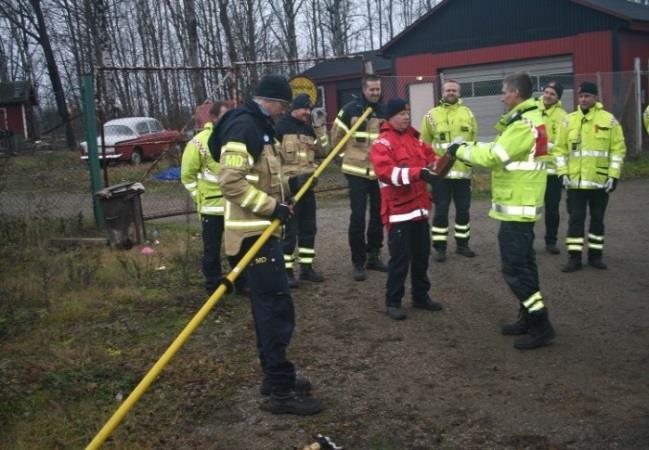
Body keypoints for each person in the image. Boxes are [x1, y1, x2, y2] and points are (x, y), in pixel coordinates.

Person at [209, 75, 322, 415]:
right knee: (275, 310)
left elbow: (265, 177)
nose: (283, 111)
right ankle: (281, 393)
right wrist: (273, 208)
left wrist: (288, 191)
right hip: (252, 236)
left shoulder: (258, 126)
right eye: (282, 105)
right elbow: (230, 182)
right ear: (269, 101)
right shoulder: (244, 127)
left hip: (263, 233)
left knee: (270, 309)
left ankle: (275, 378)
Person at [448, 72, 555, 350]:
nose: (501, 96)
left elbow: (495, 157)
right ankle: (528, 317)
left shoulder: (523, 124)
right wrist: (469, 146)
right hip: (519, 205)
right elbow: (497, 147)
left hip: (518, 206)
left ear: (517, 93)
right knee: (524, 265)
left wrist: (460, 151)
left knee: (515, 269)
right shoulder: (524, 120)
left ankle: (540, 323)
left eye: (504, 91)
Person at [370, 98, 444, 320]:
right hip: (398, 212)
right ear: (390, 117)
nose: (406, 117)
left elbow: (432, 160)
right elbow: (388, 173)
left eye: (407, 113)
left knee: (421, 257)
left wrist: (447, 160)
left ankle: (421, 296)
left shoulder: (416, 140)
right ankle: (393, 301)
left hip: (420, 210)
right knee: (400, 260)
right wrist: (418, 173)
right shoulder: (382, 143)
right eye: (401, 113)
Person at [554, 81, 626, 272]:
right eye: (581, 96)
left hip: (599, 182)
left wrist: (614, 175)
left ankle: (595, 256)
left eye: (588, 96)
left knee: (598, 219)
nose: (584, 99)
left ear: (596, 98)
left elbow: (618, 150)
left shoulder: (609, 121)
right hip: (575, 183)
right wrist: (562, 174)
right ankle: (574, 258)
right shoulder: (568, 121)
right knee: (575, 220)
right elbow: (559, 150)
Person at [330, 74, 387, 282]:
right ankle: (358, 262)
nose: (375, 93)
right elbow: (335, 138)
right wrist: (343, 158)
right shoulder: (349, 110)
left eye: (378, 89)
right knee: (357, 217)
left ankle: (374, 255)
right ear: (364, 89)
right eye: (371, 89)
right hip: (356, 172)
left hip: (379, 173)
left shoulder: (384, 111)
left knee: (379, 215)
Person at [420, 80, 478, 261]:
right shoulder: (431, 115)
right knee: (441, 210)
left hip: (462, 173)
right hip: (441, 174)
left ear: (459, 93)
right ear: (442, 92)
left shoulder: (468, 114)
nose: (451, 93)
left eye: (454, 90)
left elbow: (473, 142)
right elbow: (424, 144)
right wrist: (431, 166)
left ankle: (463, 245)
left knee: (463, 210)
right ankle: (440, 248)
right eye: (448, 90)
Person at [275, 94, 327, 287]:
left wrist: (320, 128)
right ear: (294, 108)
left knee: (308, 229)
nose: (307, 112)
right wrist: (288, 184)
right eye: (304, 108)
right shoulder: (280, 128)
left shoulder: (309, 130)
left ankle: (306, 268)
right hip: (289, 190)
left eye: (309, 109)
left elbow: (323, 152)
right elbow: (273, 163)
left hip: (308, 189)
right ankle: (286, 272)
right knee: (290, 233)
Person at [181, 101, 230, 294]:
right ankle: (213, 284)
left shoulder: (235, 138)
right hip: (211, 207)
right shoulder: (199, 142)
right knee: (212, 249)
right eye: (224, 115)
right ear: (214, 118)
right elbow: (187, 175)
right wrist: (198, 197)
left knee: (239, 246)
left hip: (235, 205)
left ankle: (241, 280)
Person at [538, 81, 568, 255]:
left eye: (553, 94)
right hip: (532, 169)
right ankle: (527, 242)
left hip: (552, 171)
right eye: (547, 92)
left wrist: (542, 145)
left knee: (552, 209)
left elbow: (562, 144)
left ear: (558, 98)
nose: (548, 95)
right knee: (529, 209)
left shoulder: (563, 116)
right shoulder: (532, 110)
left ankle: (551, 242)